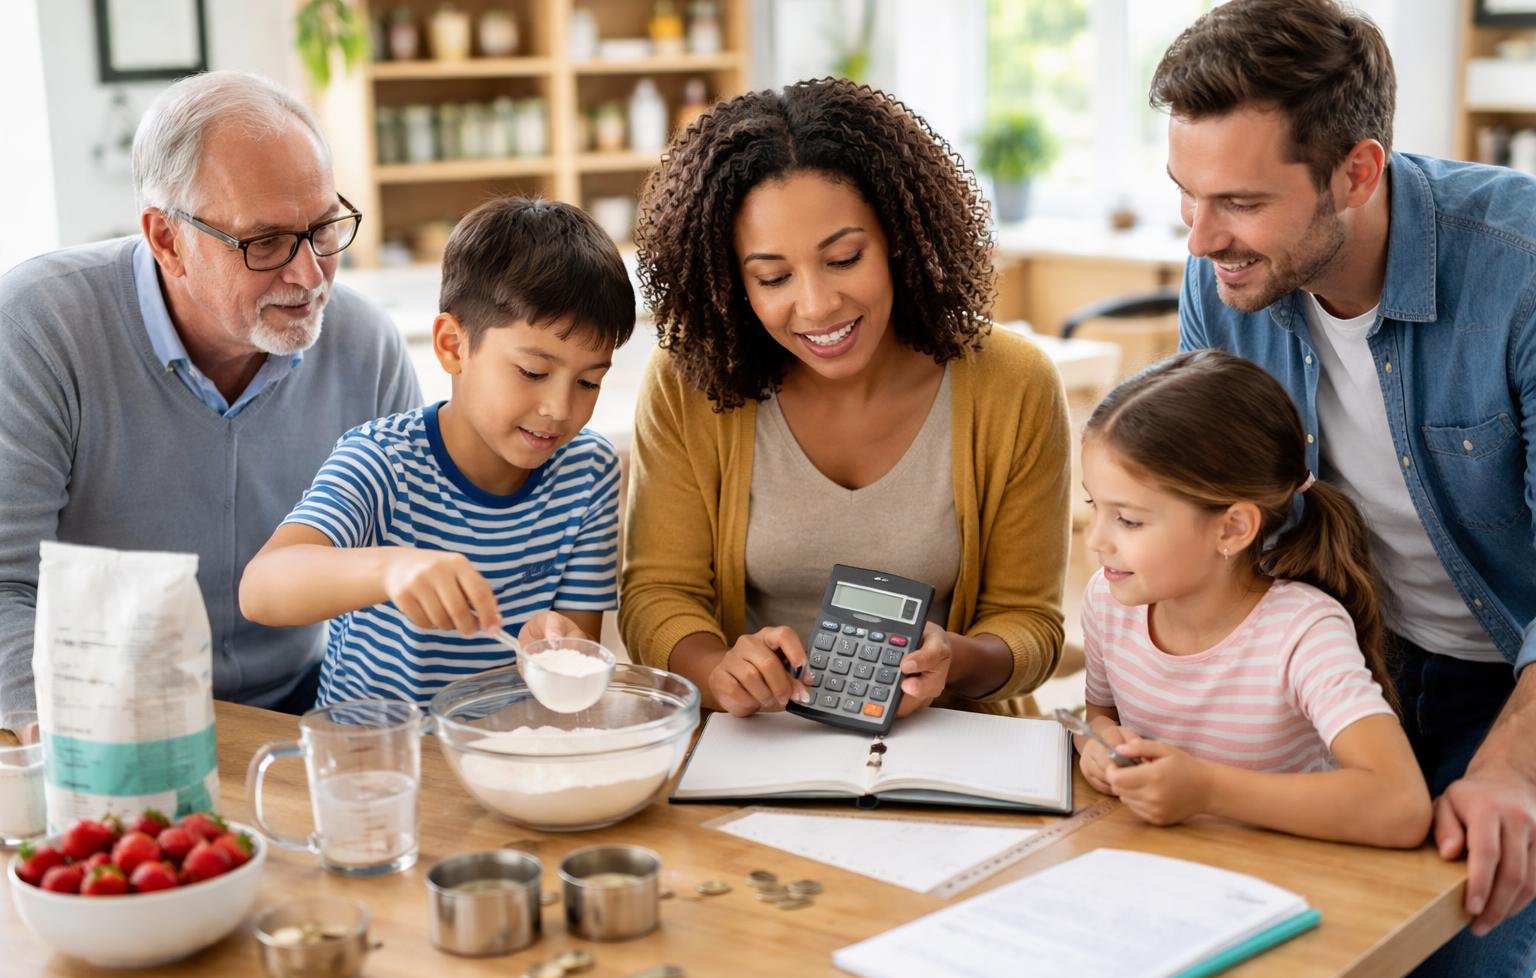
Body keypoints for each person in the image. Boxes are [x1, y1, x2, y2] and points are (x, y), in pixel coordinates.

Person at [1154, 0, 1536, 978]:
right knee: (1261, 953)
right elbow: (1224, 516)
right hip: (1353, 649)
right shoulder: (1221, 272)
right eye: (1185, 196)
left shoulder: (1522, 271)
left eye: (1236, 201)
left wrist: (1511, 772)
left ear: (1357, 173)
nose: (1200, 238)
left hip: (1514, 680)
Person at [622, 78, 1071, 719]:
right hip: (756, 745)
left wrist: (958, 661)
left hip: (952, 744)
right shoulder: (687, 382)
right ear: (732, 282)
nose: (816, 305)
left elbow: (1031, 623)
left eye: (844, 258)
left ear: (898, 238)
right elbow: (659, 593)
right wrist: (719, 670)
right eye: (773, 277)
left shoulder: (1014, 385)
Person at [0, 71, 420, 719]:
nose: (310, 275)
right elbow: (6, 587)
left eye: (325, 228)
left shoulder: (367, 347)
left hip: (310, 706)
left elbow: (405, 576)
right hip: (104, 715)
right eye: (267, 241)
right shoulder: (37, 326)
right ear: (167, 239)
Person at [239, 196, 633, 709]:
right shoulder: (383, 462)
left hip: (503, 755)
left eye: (588, 381)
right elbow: (261, 589)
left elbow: (575, 663)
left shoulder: (588, 473)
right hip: (374, 761)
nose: (560, 409)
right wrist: (391, 569)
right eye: (533, 373)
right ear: (453, 346)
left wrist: (553, 645)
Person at [1077, 350, 1431, 849]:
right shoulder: (1109, 603)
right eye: (1095, 506)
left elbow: (1401, 806)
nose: (1096, 540)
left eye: (1129, 520)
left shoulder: (1302, 633)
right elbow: (1100, 714)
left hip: (1289, 886)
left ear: (1233, 528)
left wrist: (1206, 789)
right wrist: (1094, 744)